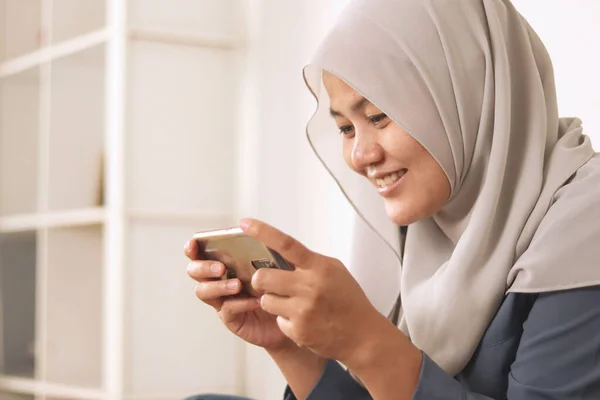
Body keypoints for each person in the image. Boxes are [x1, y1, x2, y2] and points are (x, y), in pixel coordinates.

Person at [184, 0, 600, 398]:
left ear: (467, 92)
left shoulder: (586, 219)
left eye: (379, 116)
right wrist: (290, 346)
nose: (361, 156)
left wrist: (365, 341)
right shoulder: (426, 221)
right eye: (346, 128)